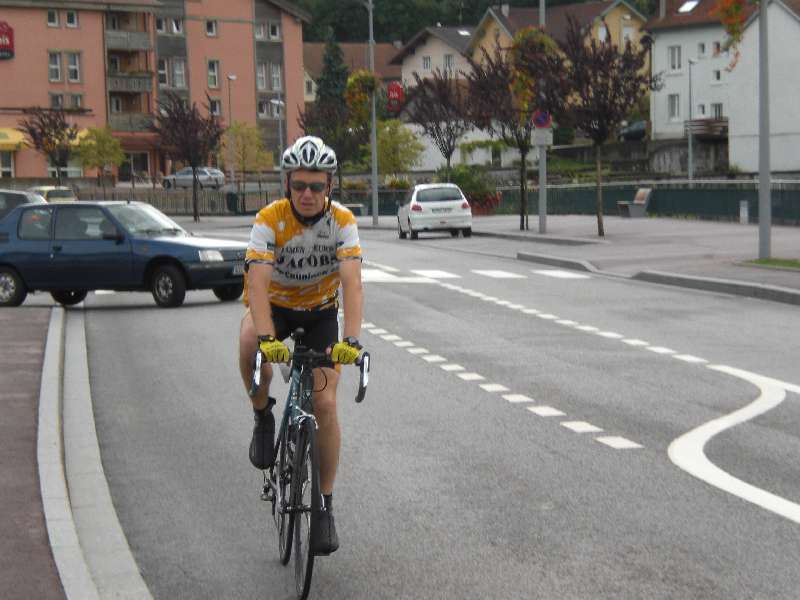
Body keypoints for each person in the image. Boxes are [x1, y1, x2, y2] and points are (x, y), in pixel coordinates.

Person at [239, 136, 364, 556]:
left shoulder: (342, 221)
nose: (307, 194)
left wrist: (352, 340)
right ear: (287, 185)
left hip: (320, 312)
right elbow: (257, 282)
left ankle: (325, 506)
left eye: (316, 185)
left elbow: (351, 280)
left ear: (330, 186)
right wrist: (266, 337)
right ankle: (262, 416)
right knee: (247, 343)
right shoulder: (269, 219)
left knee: (325, 405)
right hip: (276, 307)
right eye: (299, 186)